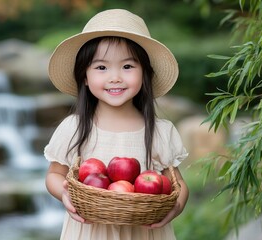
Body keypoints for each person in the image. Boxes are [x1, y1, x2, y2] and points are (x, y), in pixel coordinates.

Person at [44, 8, 189, 240]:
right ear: (84, 76)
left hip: (145, 233)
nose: (115, 77)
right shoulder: (74, 127)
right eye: (101, 67)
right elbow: (54, 174)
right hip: (90, 231)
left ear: (145, 74)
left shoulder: (160, 131)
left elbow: (177, 182)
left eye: (127, 66)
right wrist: (65, 193)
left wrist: (177, 205)